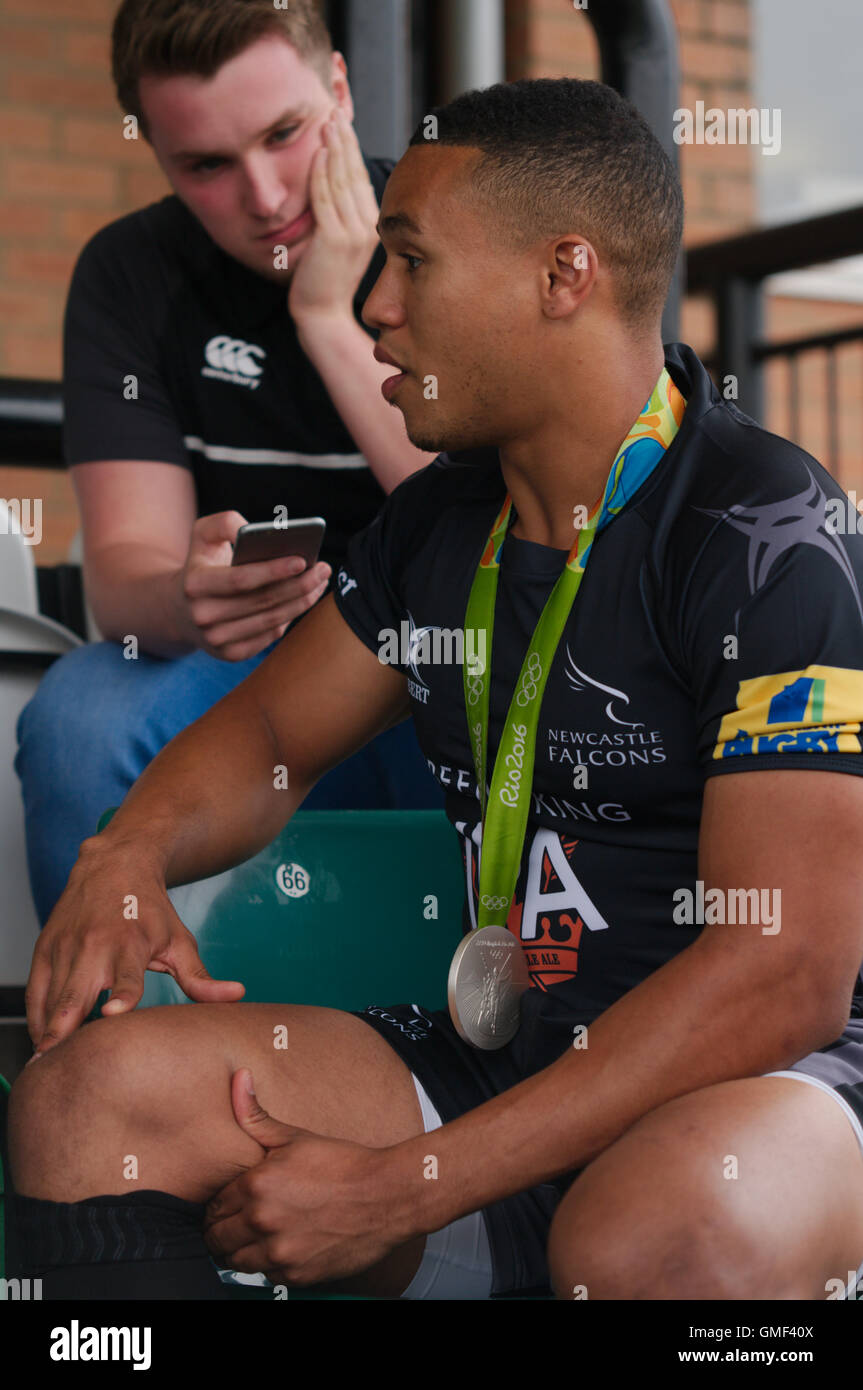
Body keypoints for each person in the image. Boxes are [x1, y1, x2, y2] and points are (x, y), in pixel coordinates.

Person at [8, 75, 863, 1303]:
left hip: (756, 1088)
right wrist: (124, 851)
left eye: (409, 259)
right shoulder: (440, 521)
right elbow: (267, 731)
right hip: (506, 1068)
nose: (374, 305)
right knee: (89, 1100)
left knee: (655, 1239)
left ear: (562, 274)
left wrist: (404, 1187)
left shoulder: (763, 527)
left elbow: (786, 974)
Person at [14, 0, 443, 930]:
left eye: (285, 134)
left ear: (338, 89)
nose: (266, 196)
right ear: (157, 154)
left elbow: (486, 511)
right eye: (206, 164)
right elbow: (126, 573)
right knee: (81, 718)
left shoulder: (449, 233)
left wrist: (326, 319)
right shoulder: (131, 273)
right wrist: (188, 600)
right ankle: (113, 1019)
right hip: (248, 686)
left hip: (442, 667)